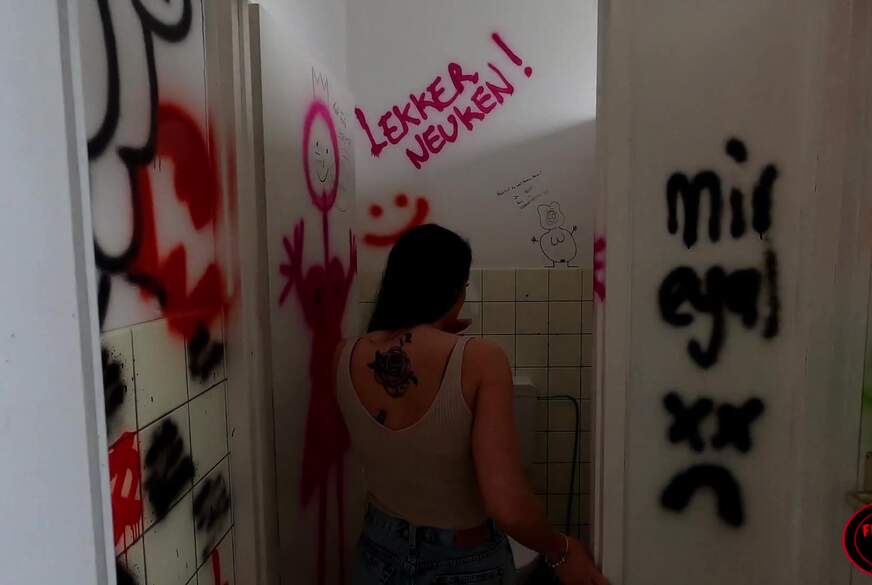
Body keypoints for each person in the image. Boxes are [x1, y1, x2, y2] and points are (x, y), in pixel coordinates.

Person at [335, 224, 609, 585]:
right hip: (464, 561)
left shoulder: (345, 354)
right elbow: (508, 506)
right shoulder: (481, 359)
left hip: (377, 553)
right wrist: (561, 550)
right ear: (455, 290)